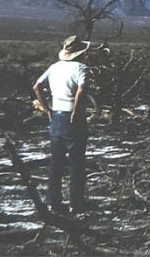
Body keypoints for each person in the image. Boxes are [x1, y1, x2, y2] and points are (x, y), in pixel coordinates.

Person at [33, 35, 91, 214]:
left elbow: (37, 86)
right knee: (77, 162)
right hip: (73, 117)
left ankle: (53, 201)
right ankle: (76, 203)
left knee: (56, 161)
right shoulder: (82, 68)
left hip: (56, 116)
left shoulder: (54, 67)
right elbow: (81, 90)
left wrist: (47, 109)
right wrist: (75, 110)